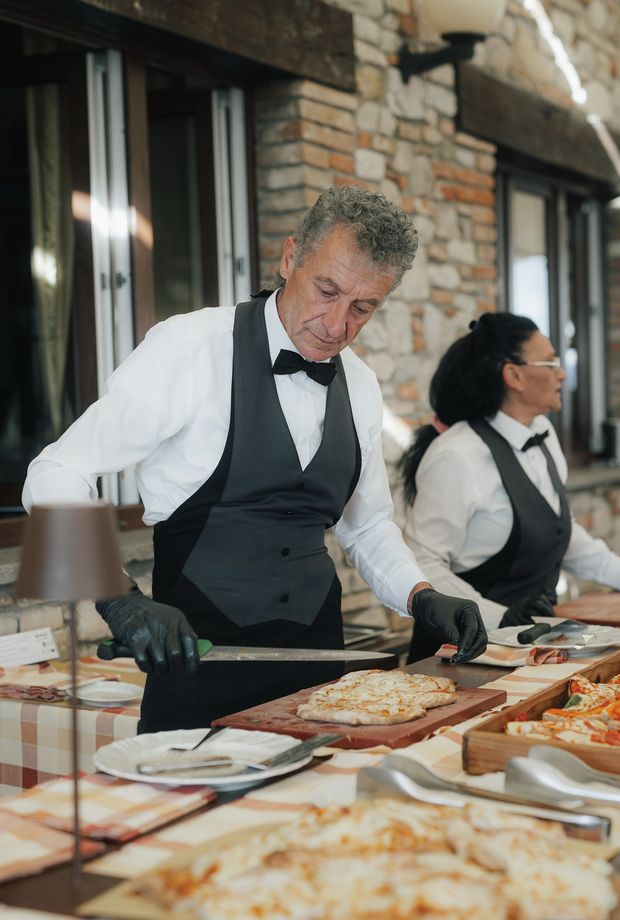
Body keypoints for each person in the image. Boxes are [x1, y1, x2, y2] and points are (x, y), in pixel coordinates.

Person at [22, 186, 487, 732]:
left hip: (323, 671)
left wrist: (422, 596)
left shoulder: (360, 383)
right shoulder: (189, 348)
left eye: (363, 308)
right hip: (199, 672)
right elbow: (55, 472)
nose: (337, 326)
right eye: (327, 291)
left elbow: (366, 527)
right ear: (290, 259)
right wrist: (117, 599)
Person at [399, 312, 620, 663]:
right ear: (513, 375)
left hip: (532, 651)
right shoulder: (458, 455)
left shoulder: (542, 434)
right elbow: (423, 563)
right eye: (551, 362)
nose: (561, 373)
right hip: (464, 655)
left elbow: (557, 530)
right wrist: (497, 617)